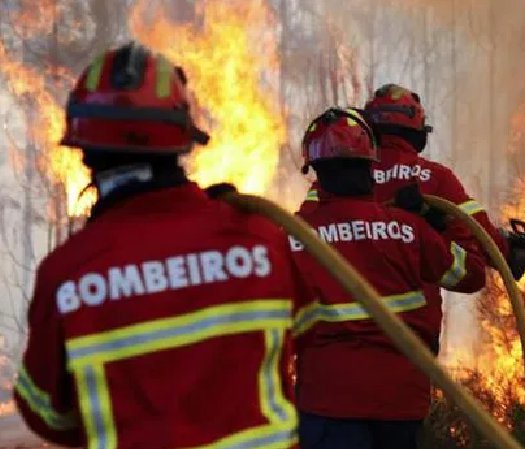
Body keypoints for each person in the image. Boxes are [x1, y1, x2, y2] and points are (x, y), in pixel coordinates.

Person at [14, 42, 308, 449]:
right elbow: (292, 350)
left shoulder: (67, 275)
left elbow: (46, 416)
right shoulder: (260, 239)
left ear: (84, 152)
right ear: (183, 141)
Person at [292, 107, 486, 449]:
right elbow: (471, 275)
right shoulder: (409, 230)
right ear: (371, 166)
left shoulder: (295, 239)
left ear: (317, 175)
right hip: (400, 405)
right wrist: (437, 222)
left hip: (329, 404)